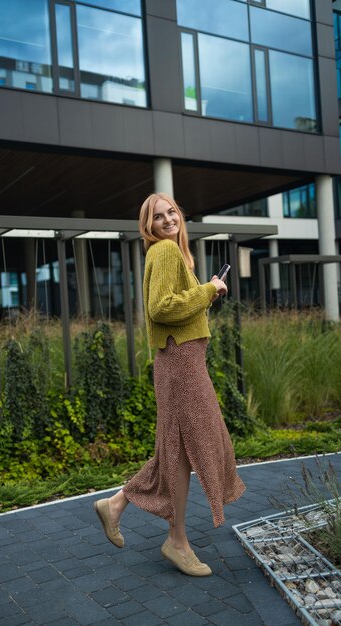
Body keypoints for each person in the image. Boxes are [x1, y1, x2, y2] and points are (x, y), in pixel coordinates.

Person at [94, 192, 245, 576]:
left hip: (181, 360)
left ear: (180, 215)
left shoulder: (172, 255)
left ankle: (119, 507)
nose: (167, 220)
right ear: (149, 227)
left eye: (171, 212)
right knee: (195, 444)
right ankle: (175, 540)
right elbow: (161, 307)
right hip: (181, 364)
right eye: (158, 216)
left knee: (177, 450)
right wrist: (209, 290)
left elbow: (176, 306)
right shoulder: (164, 252)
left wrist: (206, 291)